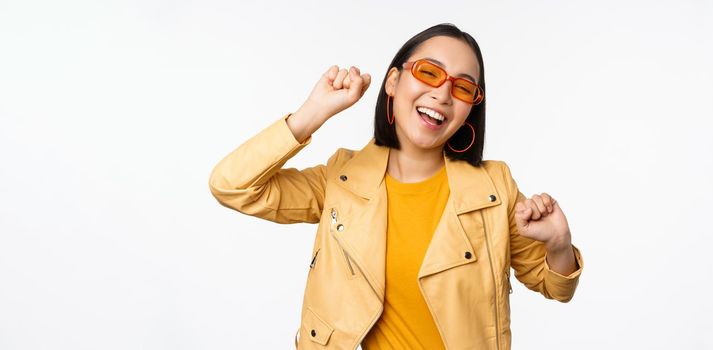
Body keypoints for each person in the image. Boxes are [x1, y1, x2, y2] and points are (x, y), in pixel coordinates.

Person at [209, 23, 583, 350]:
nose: (443, 94)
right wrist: (313, 113)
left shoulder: (494, 187)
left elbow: (555, 286)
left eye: (464, 87)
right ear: (393, 81)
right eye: (429, 72)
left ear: (472, 108)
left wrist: (559, 245)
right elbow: (232, 186)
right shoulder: (341, 180)